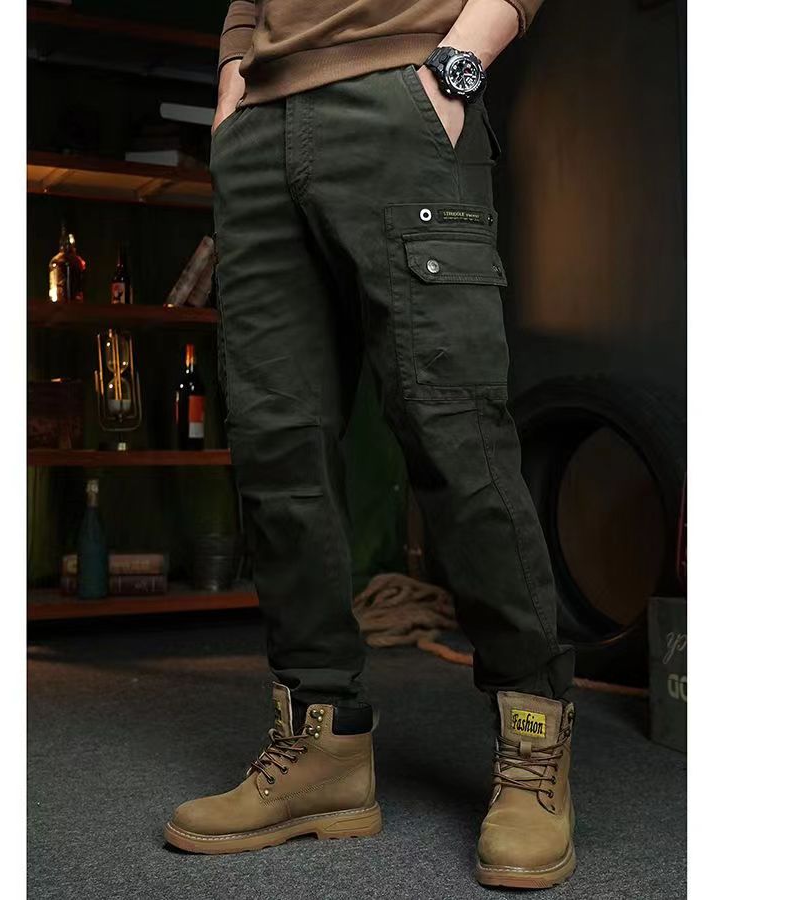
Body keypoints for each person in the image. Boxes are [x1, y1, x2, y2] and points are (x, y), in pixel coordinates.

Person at [164, 0, 578, 888]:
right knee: (277, 444)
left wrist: (458, 66)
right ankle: (323, 749)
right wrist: (235, 75)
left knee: (453, 435)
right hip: (260, 127)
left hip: (403, 97)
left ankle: (533, 743)